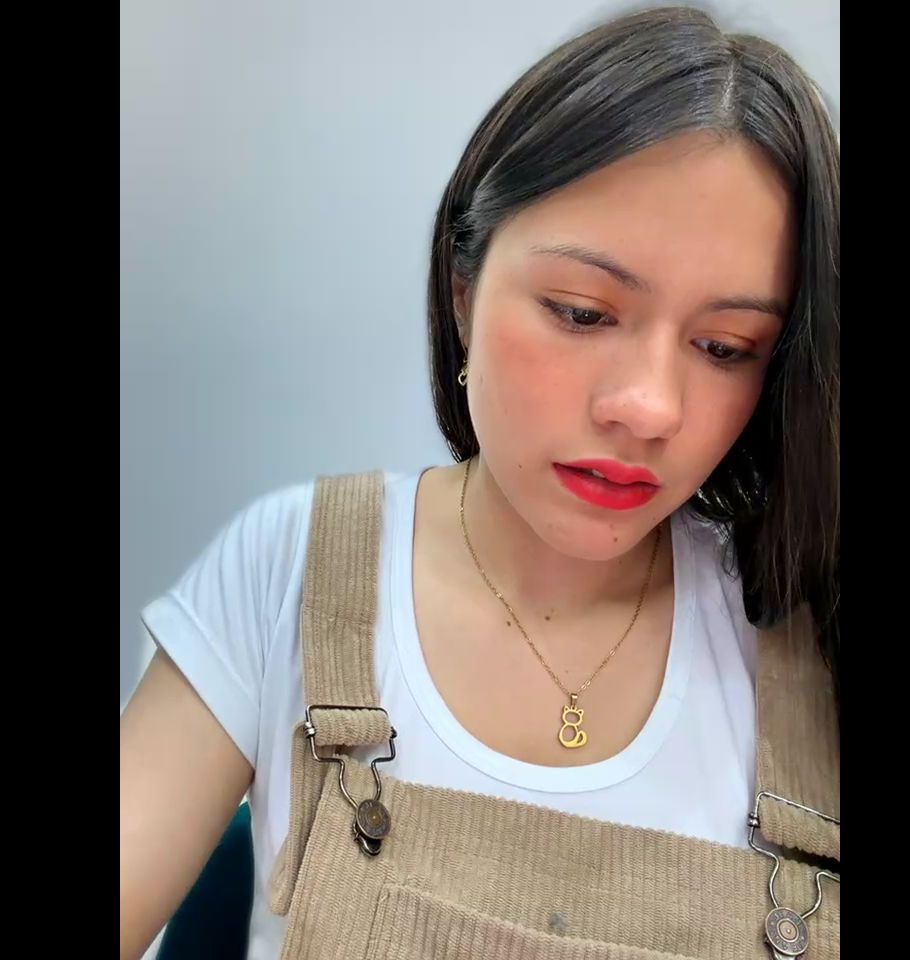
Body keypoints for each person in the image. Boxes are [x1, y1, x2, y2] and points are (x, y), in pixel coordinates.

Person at [120, 6, 840, 959]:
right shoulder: (290, 570)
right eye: (581, 313)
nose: (648, 407)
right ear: (464, 288)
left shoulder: (807, 635)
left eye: (724, 347)